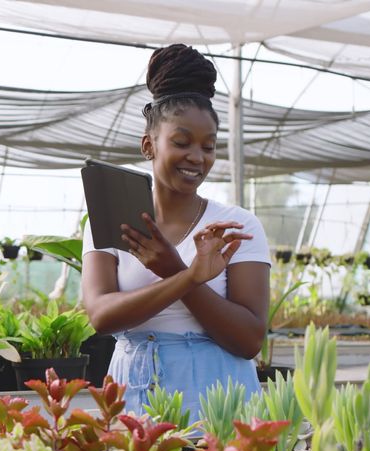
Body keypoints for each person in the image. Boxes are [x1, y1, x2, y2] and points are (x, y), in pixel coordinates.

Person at [81, 44, 270, 421]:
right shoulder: (110, 219)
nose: (197, 158)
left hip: (218, 394)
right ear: (149, 145)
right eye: (181, 142)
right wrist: (187, 275)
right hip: (134, 386)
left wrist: (176, 271)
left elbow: (249, 340)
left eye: (209, 146)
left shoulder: (236, 226)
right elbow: (101, 315)